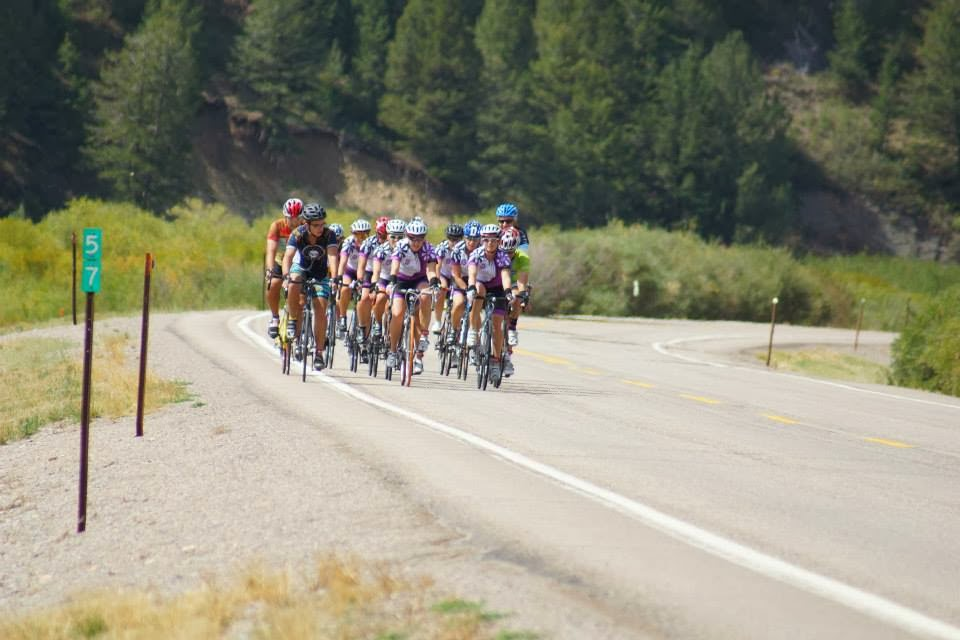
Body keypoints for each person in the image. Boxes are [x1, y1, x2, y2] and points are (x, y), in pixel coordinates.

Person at [281, 203, 339, 370]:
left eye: (322, 224)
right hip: (302, 268)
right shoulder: (297, 234)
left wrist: (334, 278)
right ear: (306, 224)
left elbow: (333, 258)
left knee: (321, 308)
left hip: (320, 273)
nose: (320, 228)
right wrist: (285, 277)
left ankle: (319, 352)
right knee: (294, 280)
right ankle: (293, 320)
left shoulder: (329, 235)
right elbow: (288, 257)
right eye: (316, 225)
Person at [386, 219, 440, 375]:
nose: (416, 242)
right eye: (412, 238)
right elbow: (394, 268)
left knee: (425, 296)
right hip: (401, 280)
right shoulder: (401, 246)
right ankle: (393, 350)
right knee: (397, 314)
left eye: (420, 238)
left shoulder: (429, 248)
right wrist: (392, 283)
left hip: (419, 279)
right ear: (407, 236)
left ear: (424, 237)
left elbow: (431, 270)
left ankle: (423, 336)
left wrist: (434, 283)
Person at [466, 223, 513, 384]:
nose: (490, 243)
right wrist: (471, 287)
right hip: (481, 286)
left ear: (499, 241)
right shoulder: (476, 254)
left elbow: (506, 276)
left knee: (497, 325)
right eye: (486, 240)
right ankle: (473, 330)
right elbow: (472, 273)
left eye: (493, 240)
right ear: (482, 240)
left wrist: (508, 292)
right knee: (478, 289)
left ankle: (496, 359)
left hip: (498, 289)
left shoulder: (502, 256)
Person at [264, 198, 303, 338]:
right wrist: (269, 270)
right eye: (291, 218)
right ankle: (275, 317)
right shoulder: (277, 226)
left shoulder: (305, 226)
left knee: (301, 298)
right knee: (273, 284)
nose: (294, 222)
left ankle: (299, 332)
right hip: (280, 261)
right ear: (285, 216)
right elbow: (271, 251)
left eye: (297, 218)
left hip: (298, 263)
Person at [499, 226, 529, 377]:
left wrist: (522, 295)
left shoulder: (522, 257)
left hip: (513, 285)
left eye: (511, 252)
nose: (507, 255)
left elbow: (522, 282)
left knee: (517, 296)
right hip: (497, 286)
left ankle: (512, 329)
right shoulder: (495, 255)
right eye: (505, 251)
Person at [369, 219, 406, 341]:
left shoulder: (408, 249)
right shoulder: (381, 250)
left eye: (400, 237)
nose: (396, 240)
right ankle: (378, 324)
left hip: (402, 279)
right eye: (393, 236)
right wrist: (374, 285)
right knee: (380, 298)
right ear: (387, 236)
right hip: (384, 279)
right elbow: (376, 271)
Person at [336, 218, 371, 338]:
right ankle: (342, 317)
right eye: (358, 234)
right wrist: (339, 277)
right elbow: (343, 262)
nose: (361, 238)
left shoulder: (371, 243)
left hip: (366, 272)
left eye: (364, 234)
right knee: (345, 288)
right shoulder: (348, 242)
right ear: (353, 234)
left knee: (367, 298)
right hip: (350, 271)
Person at [448, 220, 481, 346]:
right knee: (459, 303)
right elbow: (455, 275)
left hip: (478, 280)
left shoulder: (483, 250)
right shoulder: (457, 250)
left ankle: (477, 343)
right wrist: (467, 289)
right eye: (469, 239)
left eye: (475, 239)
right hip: (460, 280)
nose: (472, 242)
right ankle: (453, 329)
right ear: (464, 237)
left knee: (475, 310)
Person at [430, 222, 464, 334]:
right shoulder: (442, 248)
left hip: (457, 275)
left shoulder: (464, 248)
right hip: (444, 274)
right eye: (451, 239)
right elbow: (437, 266)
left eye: (457, 239)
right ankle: (438, 321)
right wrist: (437, 283)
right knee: (442, 289)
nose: (454, 242)